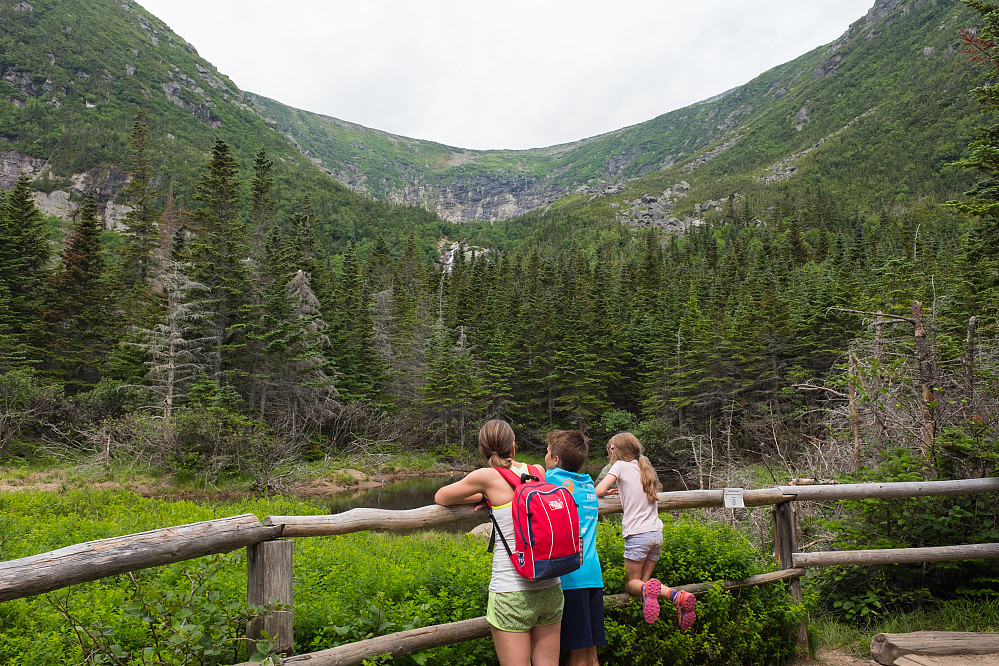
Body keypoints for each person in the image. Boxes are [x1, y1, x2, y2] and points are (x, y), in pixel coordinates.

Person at [434, 419, 562, 666]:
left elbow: (441, 497)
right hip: (550, 586)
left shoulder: (486, 476)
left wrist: (485, 494)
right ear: (513, 447)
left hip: (511, 591)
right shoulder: (538, 470)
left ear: (482, 451)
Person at [594, 432, 696, 630]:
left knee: (632, 584)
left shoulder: (620, 465)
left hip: (638, 535)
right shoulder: (643, 467)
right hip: (656, 534)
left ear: (615, 451)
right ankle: (678, 599)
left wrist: (605, 492)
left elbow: (597, 490)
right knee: (644, 584)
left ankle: (673, 598)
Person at [544, 430, 604, 666]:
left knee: (577, 655)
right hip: (593, 576)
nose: (545, 457)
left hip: (571, 579)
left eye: (548, 453)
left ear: (556, 459)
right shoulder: (588, 484)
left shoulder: (552, 480)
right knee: (591, 654)